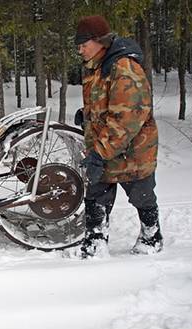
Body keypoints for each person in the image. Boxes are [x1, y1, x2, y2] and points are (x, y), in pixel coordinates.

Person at [74, 15, 163, 258]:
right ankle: (95, 241)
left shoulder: (123, 67)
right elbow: (108, 104)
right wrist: (88, 115)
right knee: (96, 194)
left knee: (141, 195)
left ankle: (151, 237)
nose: (79, 49)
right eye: (78, 45)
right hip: (107, 146)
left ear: (99, 41)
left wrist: (99, 154)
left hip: (133, 151)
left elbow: (127, 118)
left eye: (83, 43)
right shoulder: (98, 66)